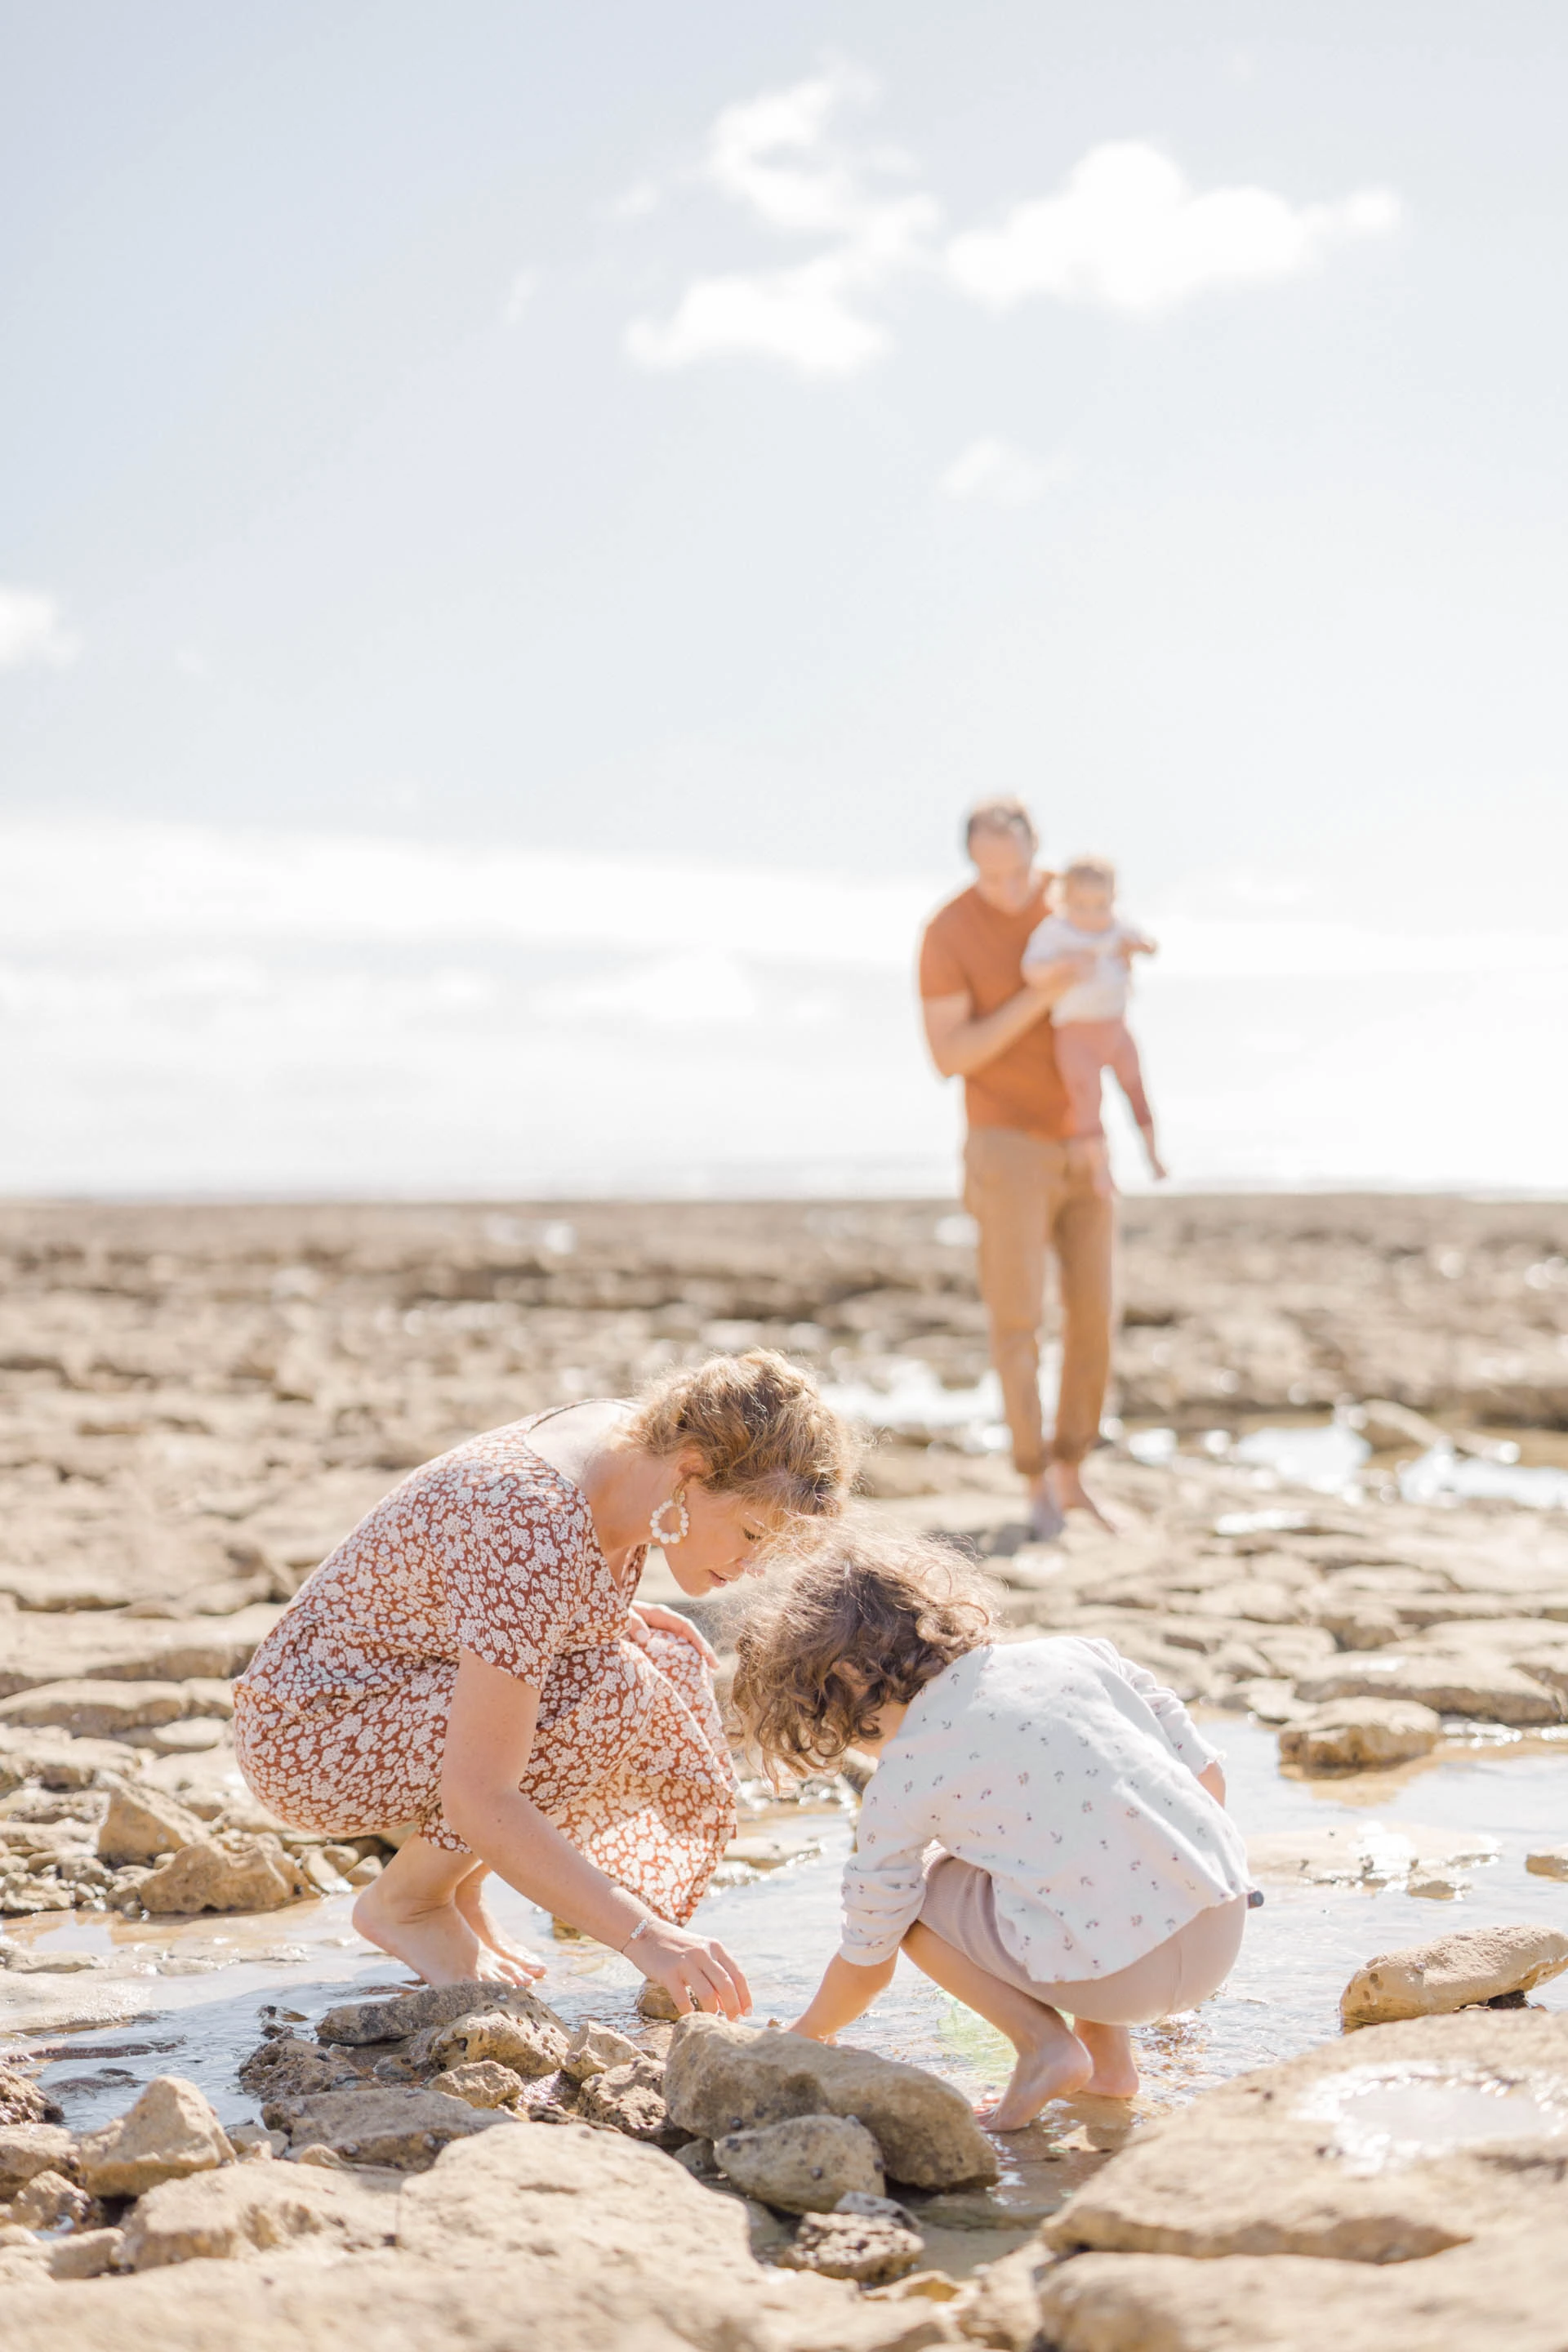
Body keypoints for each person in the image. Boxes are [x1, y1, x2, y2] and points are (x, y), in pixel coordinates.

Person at [232, 1351, 853, 2020]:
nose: (754, 1566)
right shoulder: (534, 1522)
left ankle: (455, 1890)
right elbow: (480, 1793)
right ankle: (408, 1903)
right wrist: (645, 1939)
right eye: (751, 1533)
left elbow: (487, 1590)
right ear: (693, 1469)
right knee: (609, 1690)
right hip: (311, 1733)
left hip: (399, 1680)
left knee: (662, 1659)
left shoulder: (638, 1444)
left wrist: (591, 1612)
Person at [732, 1530, 1251, 2127]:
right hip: (1220, 1924)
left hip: (1119, 1980)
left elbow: (869, 1956)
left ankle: (1044, 2047)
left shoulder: (906, 1775)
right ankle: (1110, 2067)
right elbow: (1207, 1780)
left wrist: (804, 2035)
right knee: (1085, 1841)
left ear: (847, 1682)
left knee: (921, 1896)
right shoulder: (1082, 1654)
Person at [918, 798, 1115, 1537]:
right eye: (988, 875)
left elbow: (1107, 1010)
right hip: (1003, 1142)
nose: (1006, 891)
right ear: (972, 863)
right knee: (1018, 1320)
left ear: (1038, 853)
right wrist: (1039, 996)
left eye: (1017, 874)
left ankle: (1073, 1474)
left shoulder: (1075, 900)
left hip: (1085, 1139)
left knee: (1095, 1313)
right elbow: (950, 1056)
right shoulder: (947, 930)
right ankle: (1034, 1480)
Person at [1022, 854, 1166, 1196]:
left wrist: (1139, 946)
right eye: (1081, 906)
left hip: (1116, 1028)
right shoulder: (1055, 933)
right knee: (1087, 1101)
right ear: (1063, 901)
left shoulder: (1117, 927)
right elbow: (1031, 972)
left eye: (1100, 905)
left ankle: (1153, 1155)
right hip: (1075, 1034)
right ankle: (1102, 1172)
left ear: (1113, 901)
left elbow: (1151, 945)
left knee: (1136, 1091)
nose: (1091, 915)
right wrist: (1062, 965)